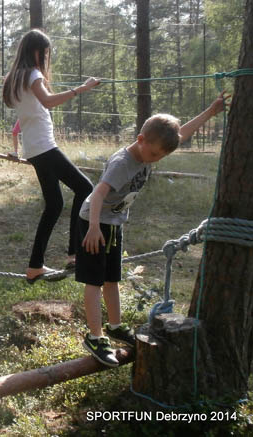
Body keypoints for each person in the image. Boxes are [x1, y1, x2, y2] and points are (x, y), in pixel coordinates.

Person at [78, 92, 229, 367]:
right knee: (94, 281)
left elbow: (180, 134)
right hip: (96, 223)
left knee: (112, 278)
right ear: (140, 140)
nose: (156, 159)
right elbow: (98, 194)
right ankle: (95, 336)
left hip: (112, 223)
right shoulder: (123, 163)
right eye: (154, 153)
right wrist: (93, 228)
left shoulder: (151, 148)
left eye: (161, 155)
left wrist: (210, 111)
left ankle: (114, 326)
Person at [2, 29, 100, 283]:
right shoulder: (32, 74)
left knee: (55, 204)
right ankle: (74, 253)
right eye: (44, 52)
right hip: (44, 147)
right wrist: (81, 89)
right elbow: (47, 101)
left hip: (34, 149)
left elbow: (19, 104)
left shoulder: (15, 78)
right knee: (85, 188)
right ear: (35, 51)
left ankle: (35, 266)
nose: (46, 57)